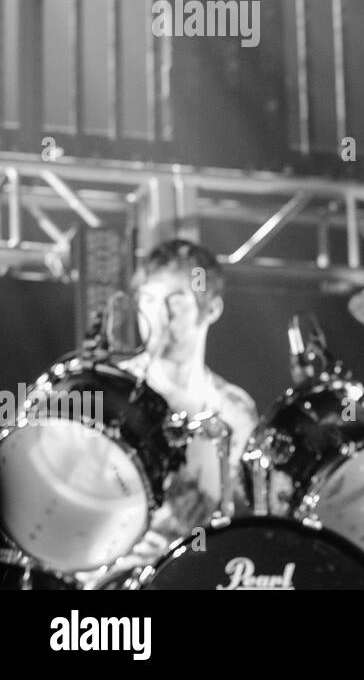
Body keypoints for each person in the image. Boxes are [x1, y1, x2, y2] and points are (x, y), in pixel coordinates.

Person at [81, 238, 258, 586]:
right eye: (148, 300)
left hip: (201, 575)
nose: (159, 316)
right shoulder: (113, 392)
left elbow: (243, 514)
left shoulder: (235, 410)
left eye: (176, 302)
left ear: (211, 310)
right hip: (114, 577)